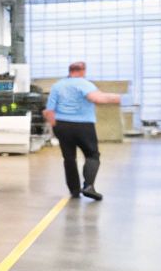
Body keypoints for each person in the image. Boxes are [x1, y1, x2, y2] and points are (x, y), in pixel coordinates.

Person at [42, 61, 121, 200]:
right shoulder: (84, 83)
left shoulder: (57, 85)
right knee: (92, 155)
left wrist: (56, 127)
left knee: (69, 158)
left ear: (69, 71)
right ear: (83, 71)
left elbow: (49, 111)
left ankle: (74, 191)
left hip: (62, 125)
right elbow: (96, 98)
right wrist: (118, 98)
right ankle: (88, 186)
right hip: (83, 126)